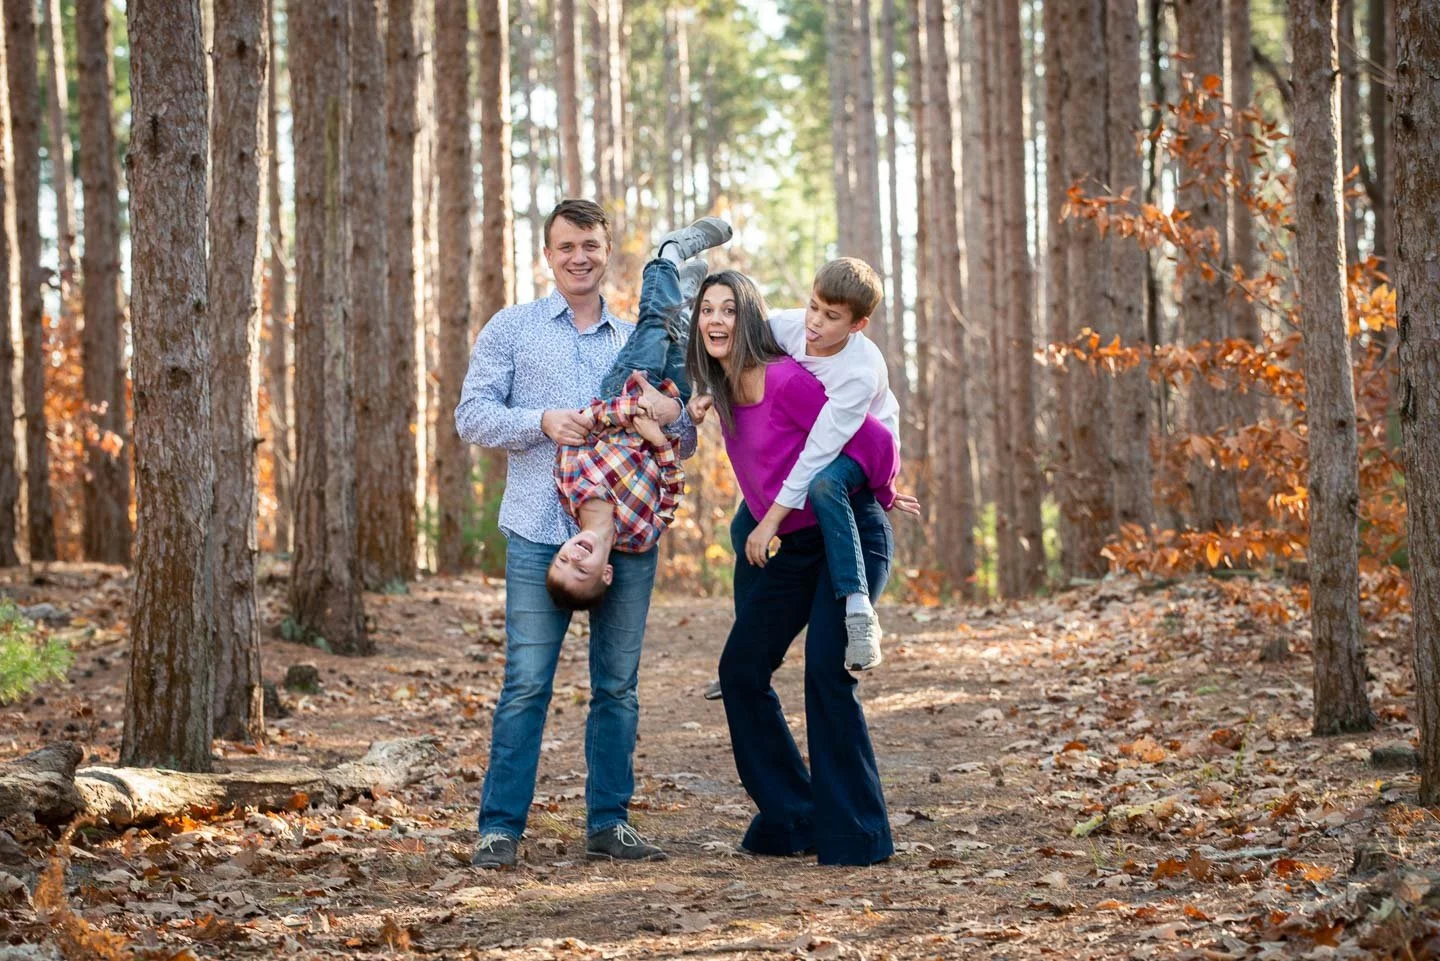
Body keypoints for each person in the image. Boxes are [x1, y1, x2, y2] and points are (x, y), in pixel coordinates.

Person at [455, 200, 730, 869]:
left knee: (618, 685)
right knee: (526, 683)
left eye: (591, 245)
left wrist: (673, 416)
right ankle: (499, 828)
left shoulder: (632, 337)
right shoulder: (513, 329)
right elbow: (472, 416)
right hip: (537, 535)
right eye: (567, 246)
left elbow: (680, 443)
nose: (579, 257)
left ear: (607, 251)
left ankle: (610, 820)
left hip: (627, 540)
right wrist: (542, 420)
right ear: (548, 254)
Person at [684, 270, 919, 866]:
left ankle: (859, 835)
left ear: (751, 321)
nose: (716, 320)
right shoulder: (719, 385)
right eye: (706, 310)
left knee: (825, 675)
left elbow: (853, 441)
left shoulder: (790, 379)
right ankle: (796, 814)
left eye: (728, 310)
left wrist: (887, 491)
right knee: (741, 669)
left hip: (848, 533)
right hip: (792, 546)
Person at [547, 247, 716, 610]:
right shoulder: (640, 536)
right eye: (580, 571)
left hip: (626, 390)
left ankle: (668, 256)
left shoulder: (570, 489)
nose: (573, 559)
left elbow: (587, 420)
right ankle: (684, 294)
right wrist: (658, 442)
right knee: (684, 346)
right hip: (663, 422)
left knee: (654, 325)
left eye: (562, 560)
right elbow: (671, 493)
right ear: (606, 574)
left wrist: (633, 407)